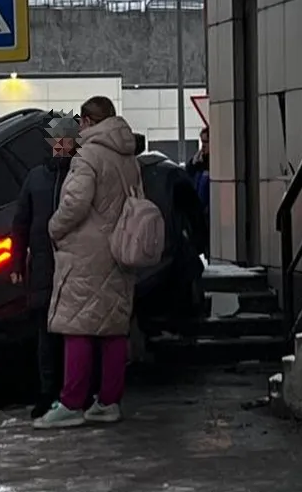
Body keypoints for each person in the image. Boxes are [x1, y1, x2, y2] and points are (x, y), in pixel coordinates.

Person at [34, 96, 141, 428]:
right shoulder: (128, 156)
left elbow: (76, 203)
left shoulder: (87, 155)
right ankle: (108, 401)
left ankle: (71, 403)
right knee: (112, 328)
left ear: (87, 122)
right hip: (121, 249)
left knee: (76, 326)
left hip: (87, 252)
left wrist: (54, 227)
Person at [11, 111, 80, 419]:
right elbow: (21, 222)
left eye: (65, 139)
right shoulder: (36, 177)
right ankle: (47, 392)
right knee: (46, 335)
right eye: (56, 139)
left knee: (74, 335)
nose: (60, 145)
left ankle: (72, 392)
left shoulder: (81, 175)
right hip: (43, 268)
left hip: (74, 268)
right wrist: (16, 262)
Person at [132, 134, 208, 328]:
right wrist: (198, 243)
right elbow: (195, 214)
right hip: (172, 257)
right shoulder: (172, 173)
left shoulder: (129, 175)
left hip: (140, 259)